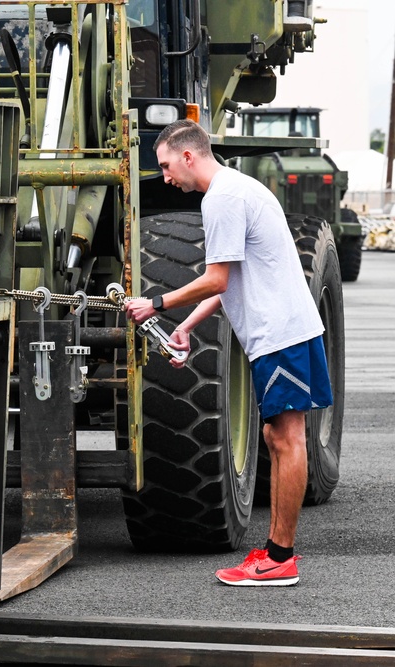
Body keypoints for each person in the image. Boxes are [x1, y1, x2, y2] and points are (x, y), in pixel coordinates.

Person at [124, 119, 332, 587]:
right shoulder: (236, 190)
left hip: (281, 334)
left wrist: (155, 303)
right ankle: (277, 551)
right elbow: (232, 279)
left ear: (189, 156)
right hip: (282, 333)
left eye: (165, 166)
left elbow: (217, 278)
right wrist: (188, 326)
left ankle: (280, 558)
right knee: (278, 435)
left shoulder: (222, 197)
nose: (165, 176)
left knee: (286, 438)